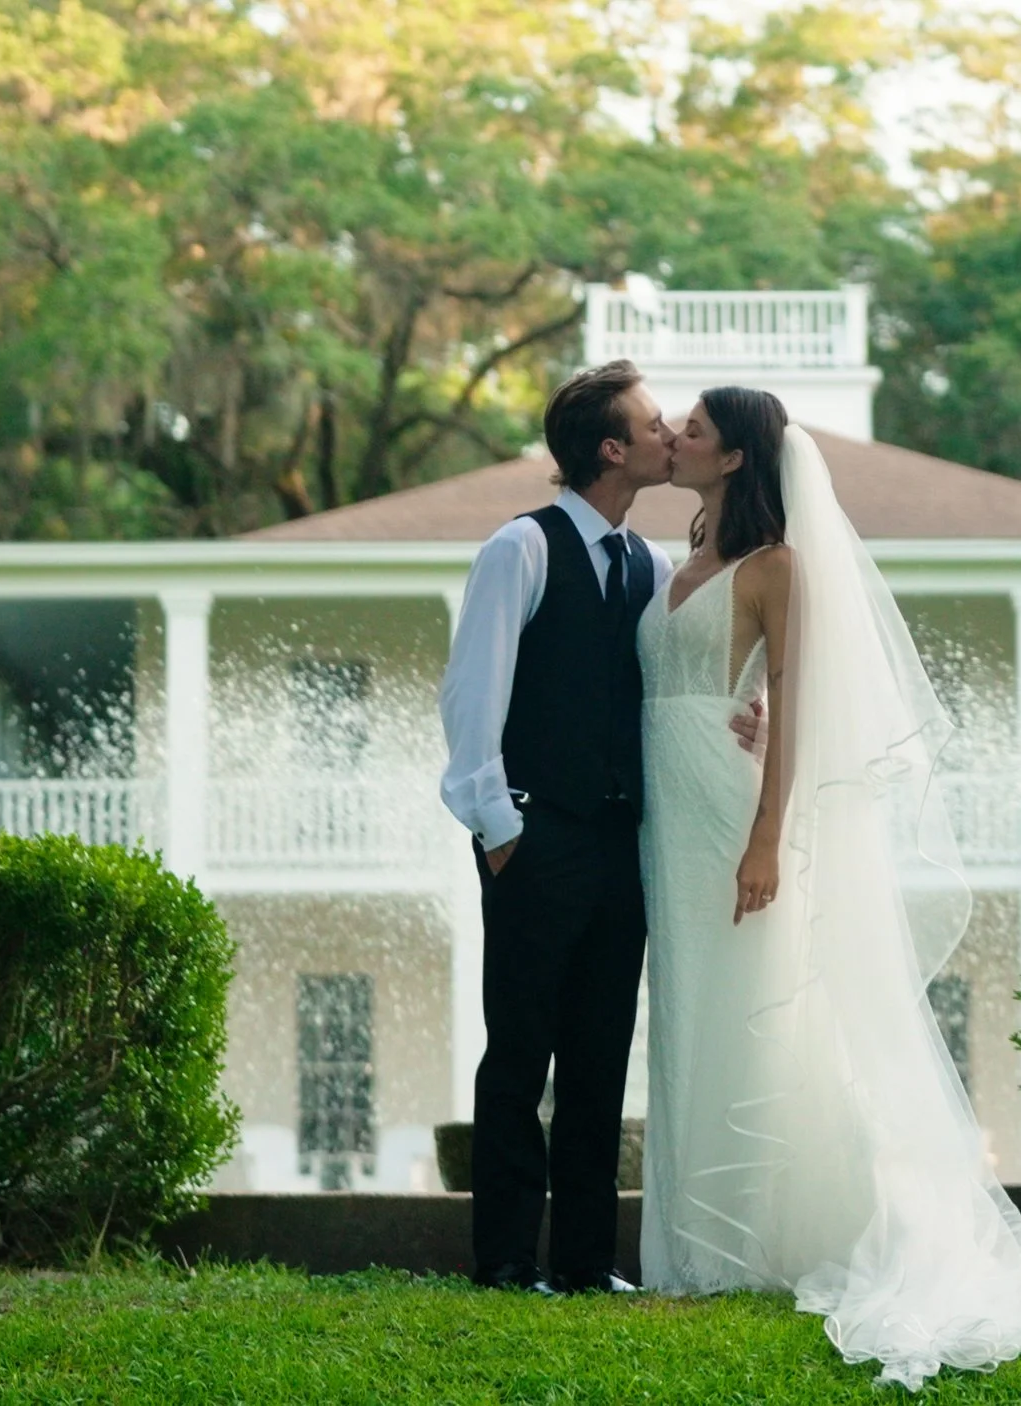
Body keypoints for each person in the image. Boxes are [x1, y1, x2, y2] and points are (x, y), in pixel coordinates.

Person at [636, 387, 1021, 1388]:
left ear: (737, 460)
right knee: (679, 1010)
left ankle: (736, 1246)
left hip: (724, 813)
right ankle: (686, 1246)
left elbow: (794, 696)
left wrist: (767, 831)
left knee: (744, 1010)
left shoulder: (777, 568)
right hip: (659, 814)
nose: (678, 438)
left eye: (697, 431)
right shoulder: (677, 567)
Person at [437, 359, 673, 1295]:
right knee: (519, 1052)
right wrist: (500, 830)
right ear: (611, 448)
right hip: (536, 841)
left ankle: (583, 1261)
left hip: (624, 848)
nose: (669, 433)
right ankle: (501, 1260)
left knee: (599, 1055)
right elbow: (472, 696)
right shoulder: (520, 549)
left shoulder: (649, 564)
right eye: (654, 424)